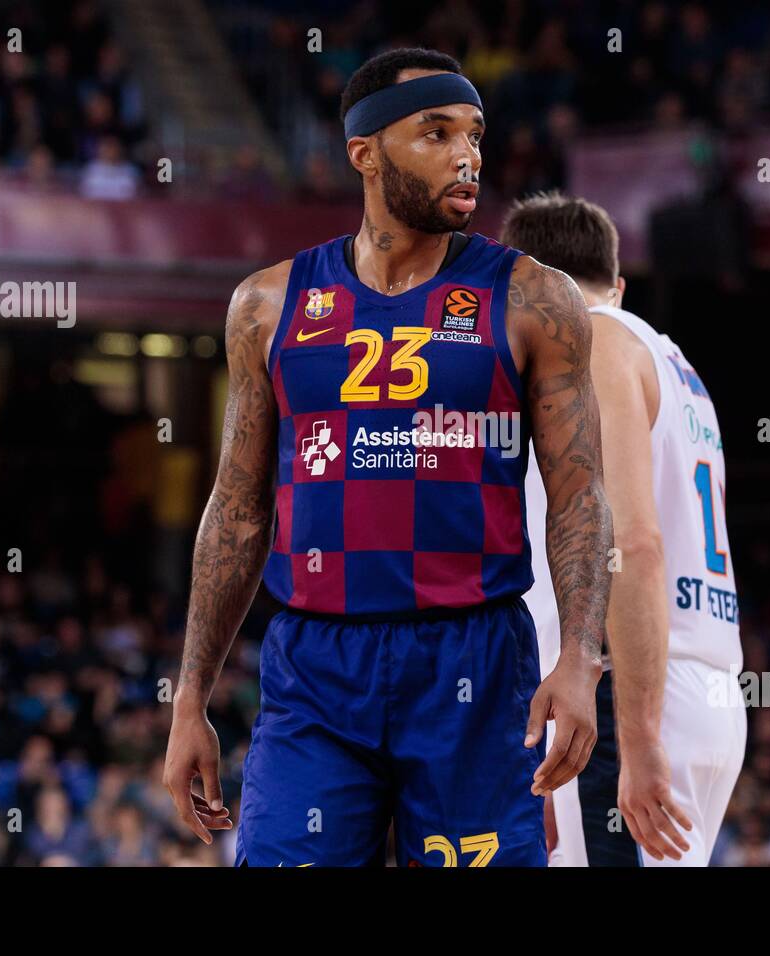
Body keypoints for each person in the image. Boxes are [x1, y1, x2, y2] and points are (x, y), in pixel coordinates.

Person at [163, 49, 612, 867]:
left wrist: (581, 656)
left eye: (474, 134)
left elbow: (581, 496)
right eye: (435, 132)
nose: (466, 154)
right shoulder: (267, 305)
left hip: (472, 664)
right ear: (364, 153)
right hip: (315, 670)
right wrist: (190, 696)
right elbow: (236, 507)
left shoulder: (533, 297)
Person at [502, 192, 744, 866]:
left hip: (623, 689)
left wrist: (635, 739)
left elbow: (629, 543)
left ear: (522, 286)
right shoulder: (675, 364)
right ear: (618, 283)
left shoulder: (593, 341)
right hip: (704, 679)